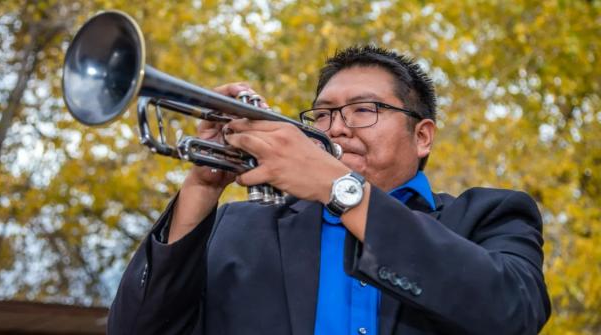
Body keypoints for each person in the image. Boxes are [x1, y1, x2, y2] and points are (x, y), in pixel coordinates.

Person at [107, 45, 551, 335]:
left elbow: (512, 314)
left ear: (423, 137)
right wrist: (203, 183)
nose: (337, 127)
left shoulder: (490, 216)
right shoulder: (237, 226)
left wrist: (340, 187)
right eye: (322, 115)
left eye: (365, 109)